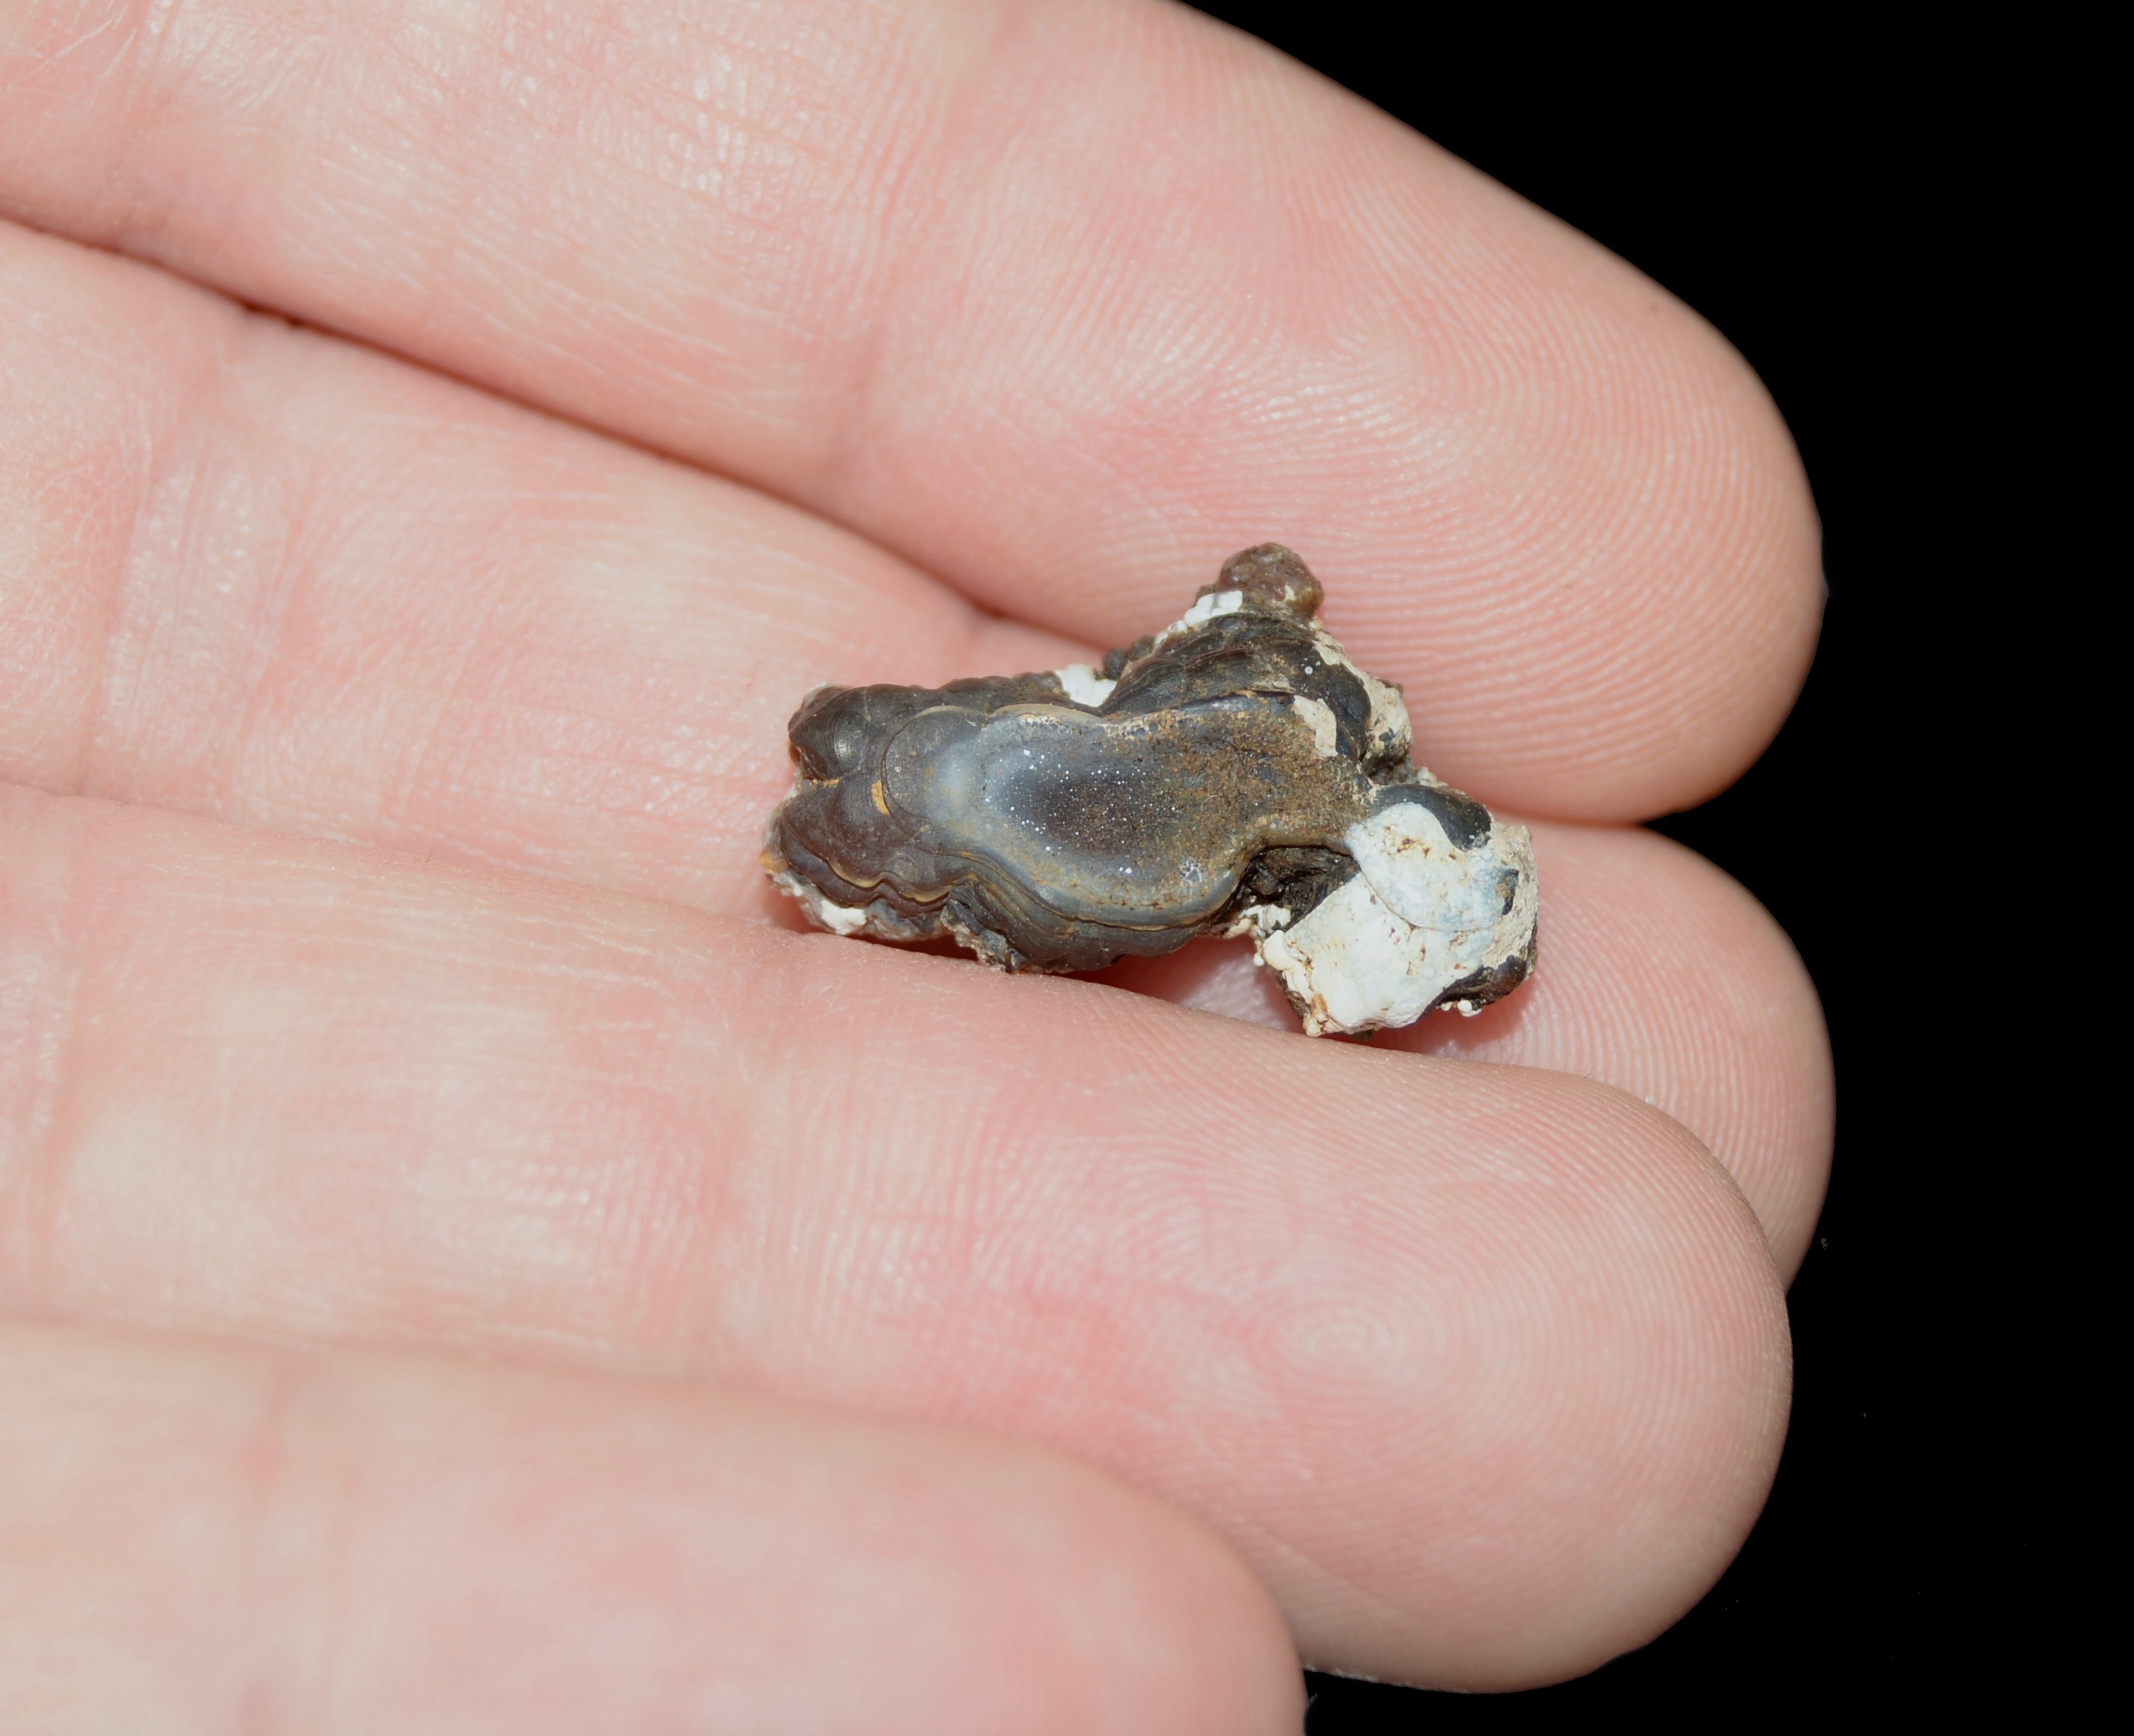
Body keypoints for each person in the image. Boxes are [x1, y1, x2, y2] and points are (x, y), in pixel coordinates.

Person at [0, 1, 1833, 1728]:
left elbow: (1226, 653)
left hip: (1057, 811)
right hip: (1032, 800)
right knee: (918, 789)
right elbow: (1229, 627)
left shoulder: (1281, 766)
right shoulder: (1281, 719)